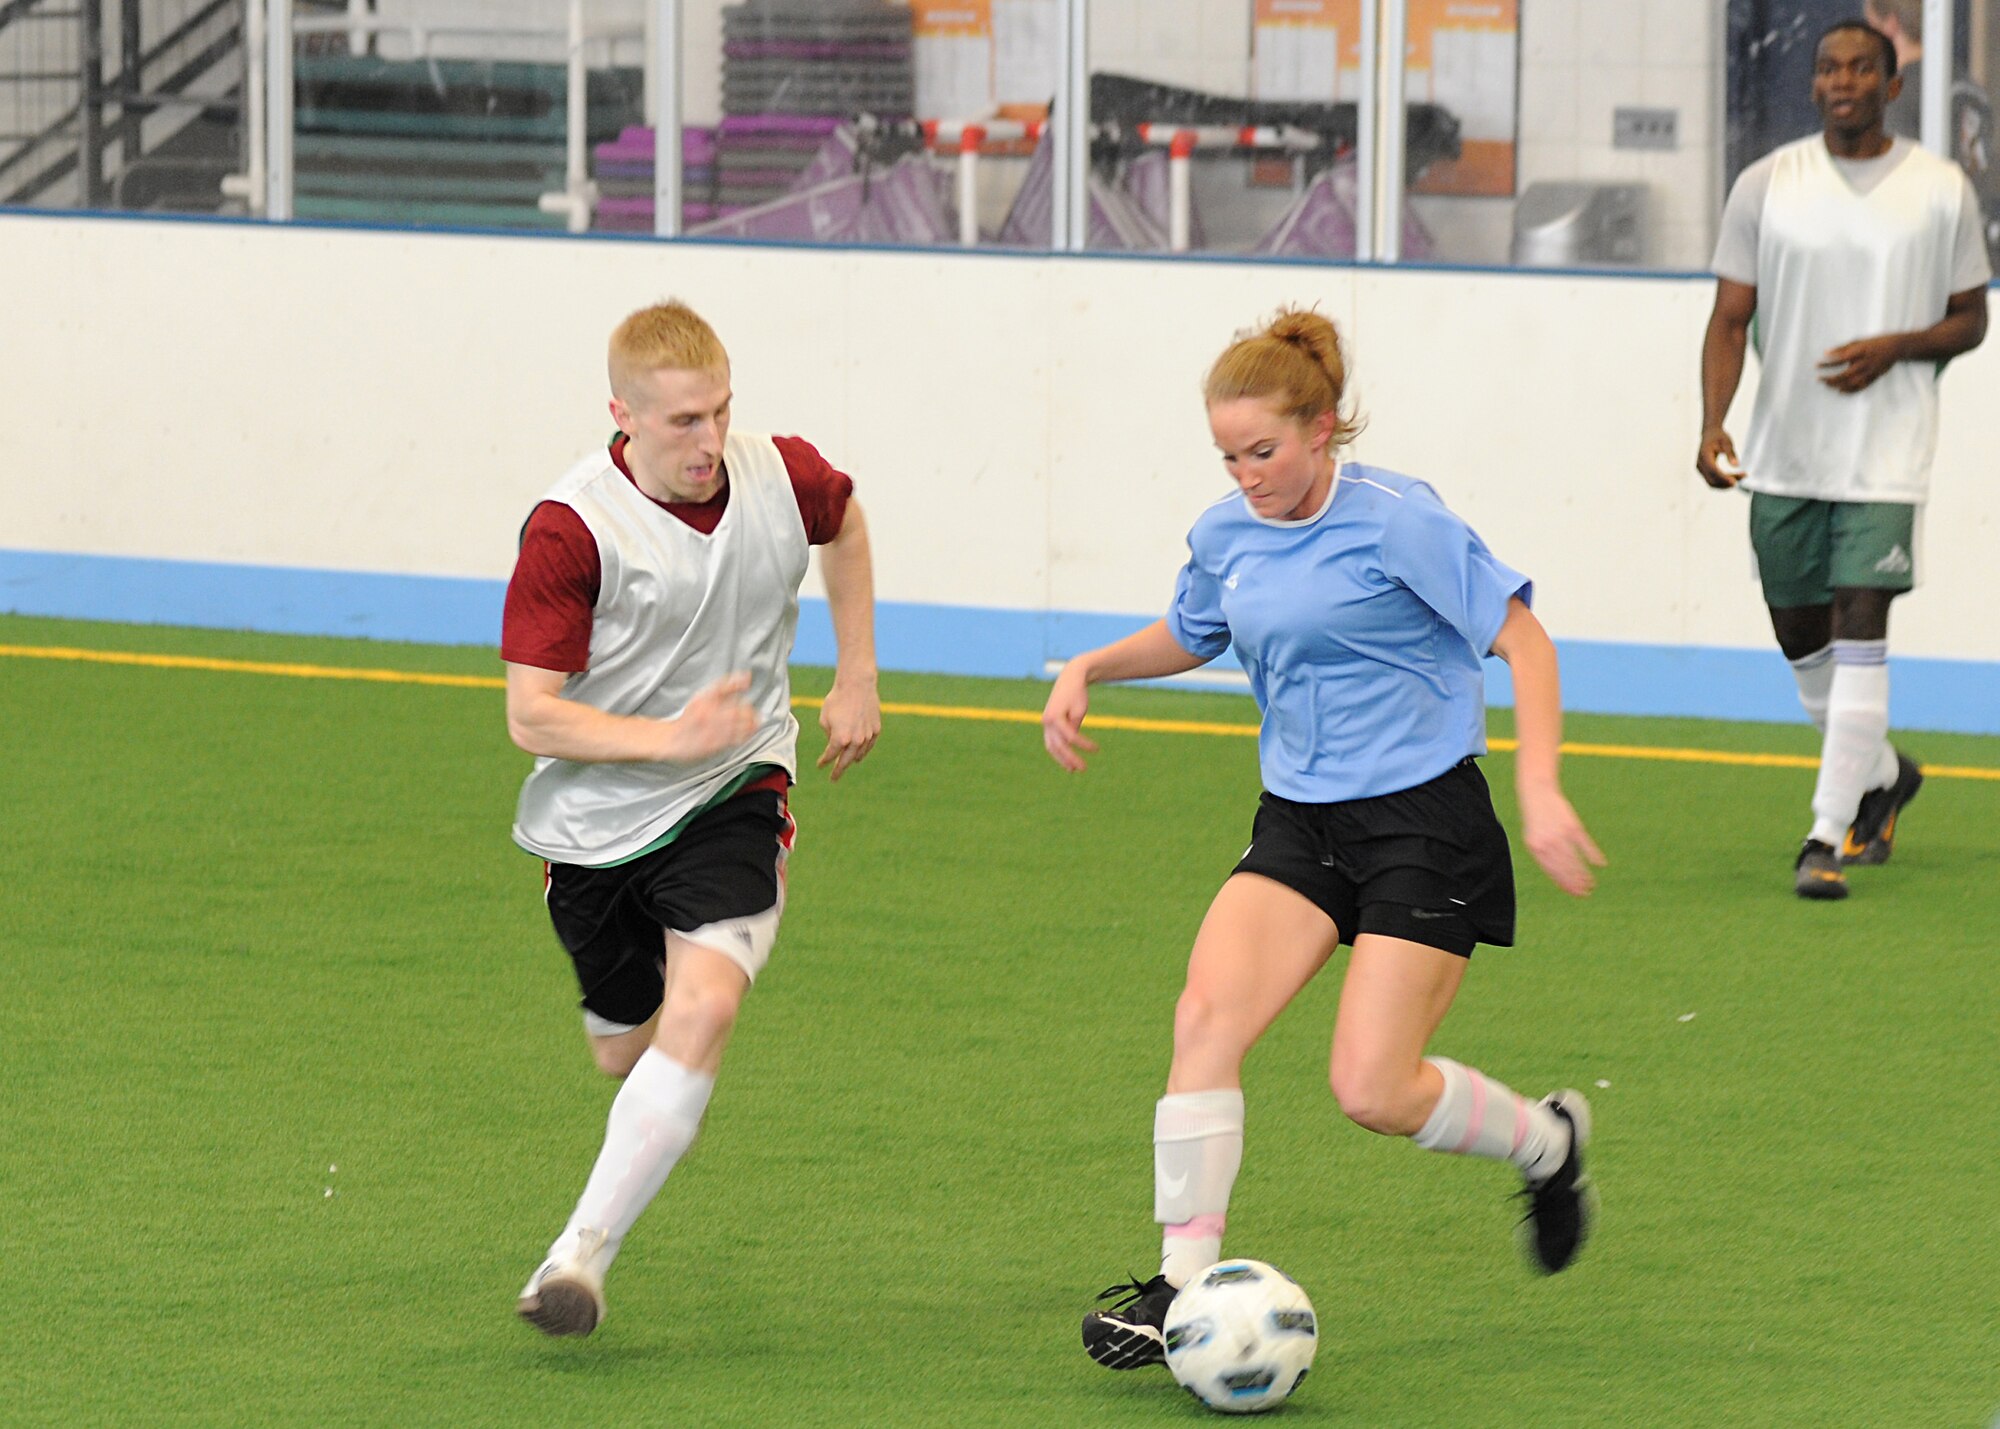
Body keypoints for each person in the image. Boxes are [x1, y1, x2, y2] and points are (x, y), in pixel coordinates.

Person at [1042, 309, 1606, 1373]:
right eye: (1228, 455)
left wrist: (1538, 787)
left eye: (1262, 451)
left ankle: (1547, 1142)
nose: (1245, 475)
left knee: (1372, 1091)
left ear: (1320, 428)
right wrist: (1090, 666)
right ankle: (1177, 1283)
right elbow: (1193, 631)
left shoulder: (1399, 521)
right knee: (1204, 1015)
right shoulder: (1225, 533)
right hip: (1300, 821)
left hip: (1423, 823)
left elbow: (1523, 640)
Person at [502, 299, 881, 1336]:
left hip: (733, 789)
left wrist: (856, 671)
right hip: (593, 828)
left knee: (704, 1011)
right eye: (682, 421)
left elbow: (844, 522)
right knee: (627, 1053)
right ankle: (654, 1107)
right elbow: (531, 714)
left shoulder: (779, 473)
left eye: (719, 411)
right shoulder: (571, 528)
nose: (709, 440)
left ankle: (576, 1258)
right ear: (622, 415)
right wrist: (666, 738)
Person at [1698, 20, 1990, 900]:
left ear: (1892, 87)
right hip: (1786, 455)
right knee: (1803, 643)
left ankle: (1825, 836)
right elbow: (1729, 319)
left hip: (1886, 457)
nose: (1844, 80)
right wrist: (1713, 423)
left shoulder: (1940, 189)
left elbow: (1971, 318)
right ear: (1815, 83)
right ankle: (1886, 774)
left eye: (1864, 68)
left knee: (1863, 629)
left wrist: (1897, 346)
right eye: (1829, 67)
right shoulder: (1766, 184)